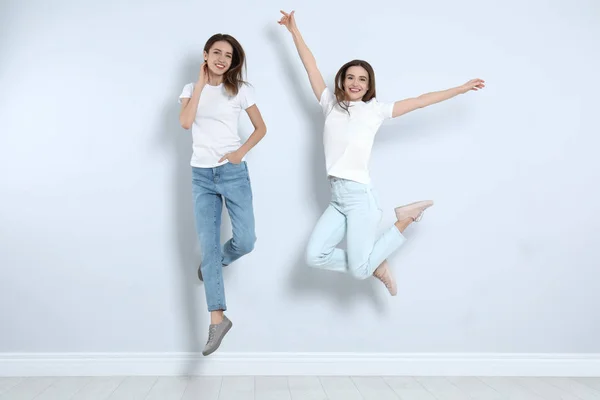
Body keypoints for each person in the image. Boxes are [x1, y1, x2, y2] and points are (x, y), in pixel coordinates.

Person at [277, 10, 484, 296]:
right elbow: (310, 67)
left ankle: (406, 219)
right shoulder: (329, 104)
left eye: (362, 79)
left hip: (360, 199)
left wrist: (459, 89)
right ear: (341, 80)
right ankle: (374, 261)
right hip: (337, 198)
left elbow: (421, 101)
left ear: (368, 84)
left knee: (358, 271)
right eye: (350, 77)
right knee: (315, 256)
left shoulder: (375, 110)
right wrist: (294, 31)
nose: (355, 83)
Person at [178, 33, 267, 356]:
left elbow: (261, 128)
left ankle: (214, 262)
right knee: (208, 243)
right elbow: (186, 123)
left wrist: (239, 153)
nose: (221, 59)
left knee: (246, 240)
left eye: (228, 56)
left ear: (233, 62)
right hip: (200, 176)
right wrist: (200, 86)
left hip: (232, 173)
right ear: (205, 55)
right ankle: (218, 318)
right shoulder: (190, 90)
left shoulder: (241, 90)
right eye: (216, 53)